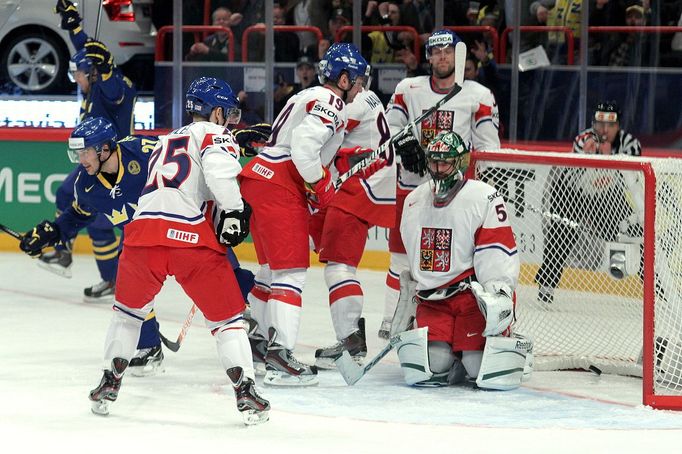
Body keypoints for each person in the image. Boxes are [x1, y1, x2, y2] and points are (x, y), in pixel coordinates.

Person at [86, 77, 270, 425]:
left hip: (142, 237)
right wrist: (233, 211)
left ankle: (109, 382)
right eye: (226, 114)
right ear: (216, 111)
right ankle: (245, 391)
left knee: (127, 315)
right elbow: (218, 175)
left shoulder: (164, 140)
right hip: (190, 240)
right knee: (228, 322)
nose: (229, 122)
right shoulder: (216, 134)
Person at [239, 43, 370, 386]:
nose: (360, 87)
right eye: (356, 80)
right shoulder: (332, 102)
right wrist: (323, 184)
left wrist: (314, 183)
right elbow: (304, 149)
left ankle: (256, 339)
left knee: (269, 270)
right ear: (343, 79)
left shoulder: (307, 94)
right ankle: (280, 356)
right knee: (291, 273)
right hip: (280, 183)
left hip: (259, 176)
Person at [18, 117, 166, 376]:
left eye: (85, 152)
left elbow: (189, 153)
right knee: (130, 287)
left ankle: (253, 327)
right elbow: (76, 216)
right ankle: (149, 345)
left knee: (222, 278)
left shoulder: (143, 151)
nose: (80, 160)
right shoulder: (86, 184)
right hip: (140, 240)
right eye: (77, 153)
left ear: (105, 149)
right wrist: (50, 233)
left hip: (183, 230)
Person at [379, 29, 501, 339]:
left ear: (458, 55)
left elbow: (489, 149)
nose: (442, 56)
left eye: (448, 50)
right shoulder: (409, 88)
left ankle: (459, 321)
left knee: (455, 258)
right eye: (436, 51)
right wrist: (406, 144)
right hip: (412, 190)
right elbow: (388, 132)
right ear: (428, 56)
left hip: (455, 194)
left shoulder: (478, 94)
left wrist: (485, 187)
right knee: (401, 257)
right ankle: (391, 319)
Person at [396, 130, 527, 389]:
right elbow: (415, 262)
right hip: (433, 302)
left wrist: (498, 295)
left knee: (481, 370)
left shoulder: (482, 196)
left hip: (470, 299)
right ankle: (453, 352)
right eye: (433, 161)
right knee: (428, 370)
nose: (438, 168)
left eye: (445, 162)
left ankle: (500, 341)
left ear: (460, 162)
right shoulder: (414, 201)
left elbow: (497, 249)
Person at [41, 0, 137, 303]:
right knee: (66, 195)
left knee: (99, 223)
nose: (76, 80)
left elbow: (114, 86)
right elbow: (91, 54)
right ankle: (66, 250)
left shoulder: (110, 87)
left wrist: (107, 71)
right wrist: (75, 27)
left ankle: (112, 278)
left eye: (77, 75)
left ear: (90, 74)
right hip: (94, 160)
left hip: (114, 164)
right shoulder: (95, 79)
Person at [310, 87, 395, 368]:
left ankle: (350, 340)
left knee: (339, 266)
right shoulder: (367, 97)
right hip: (361, 184)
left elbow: (317, 139)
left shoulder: (352, 103)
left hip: (357, 186)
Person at [535, 101, 642, 304]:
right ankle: (546, 286)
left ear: (618, 125)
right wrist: (589, 151)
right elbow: (581, 151)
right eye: (599, 123)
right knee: (560, 237)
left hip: (605, 199)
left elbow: (626, 181)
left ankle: (656, 288)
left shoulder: (630, 144)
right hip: (571, 195)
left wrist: (609, 156)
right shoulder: (583, 140)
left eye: (610, 125)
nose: (603, 129)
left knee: (637, 235)